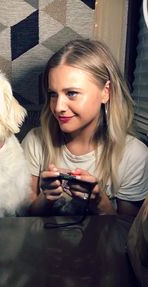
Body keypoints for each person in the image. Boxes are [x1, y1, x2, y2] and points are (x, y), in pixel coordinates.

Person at [22, 39, 148, 217]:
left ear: (106, 92)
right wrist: (47, 198)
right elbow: (25, 219)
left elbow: (127, 234)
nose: (58, 107)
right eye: (53, 94)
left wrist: (99, 203)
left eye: (71, 93)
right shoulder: (35, 141)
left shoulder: (134, 155)